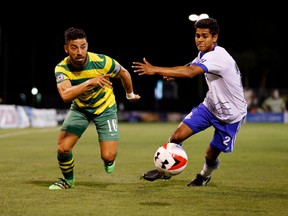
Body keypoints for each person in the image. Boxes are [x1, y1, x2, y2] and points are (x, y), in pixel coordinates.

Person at [132, 18, 247, 186]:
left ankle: (204, 176)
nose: (199, 39)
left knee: (210, 155)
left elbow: (190, 72)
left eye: (205, 36)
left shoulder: (219, 56)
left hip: (230, 115)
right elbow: (191, 65)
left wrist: (155, 69)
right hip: (210, 106)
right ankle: (164, 170)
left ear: (214, 38)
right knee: (176, 136)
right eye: (197, 35)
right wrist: (173, 73)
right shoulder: (205, 53)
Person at [49, 27, 140, 190]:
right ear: (66, 48)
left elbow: (124, 73)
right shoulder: (62, 68)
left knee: (108, 155)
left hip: (105, 108)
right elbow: (65, 95)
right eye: (74, 47)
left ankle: (109, 160)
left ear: (87, 45)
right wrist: (90, 82)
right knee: (63, 148)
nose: (79, 52)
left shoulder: (102, 61)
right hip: (80, 109)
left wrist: (130, 94)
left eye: (83, 46)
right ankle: (68, 181)